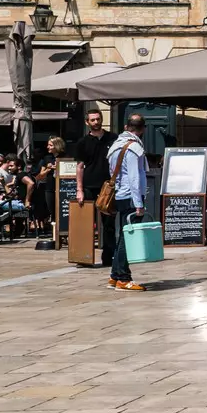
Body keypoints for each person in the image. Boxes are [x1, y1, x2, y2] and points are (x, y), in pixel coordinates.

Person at [105, 113, 149, 291]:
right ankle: (123, 278)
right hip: (131, 197)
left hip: (120, 195)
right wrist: (139, 204)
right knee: (128, 239)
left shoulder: (115, 145)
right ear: (142, 129)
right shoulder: (133, 148)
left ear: (126, 127)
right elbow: (134, 178)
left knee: (123, 236)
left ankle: (115, 276)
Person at [73, 109, 116, 272]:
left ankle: (108, 256)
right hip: (89, 186)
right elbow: (79, 167)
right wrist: (79, 189)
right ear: (87, 123)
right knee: (85, 223)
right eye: (93, 120)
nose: (96, 122)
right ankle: (84, 257)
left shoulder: (113, 138)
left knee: (109, 223)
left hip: (108, 187)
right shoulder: (83, 142)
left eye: (98, 119)